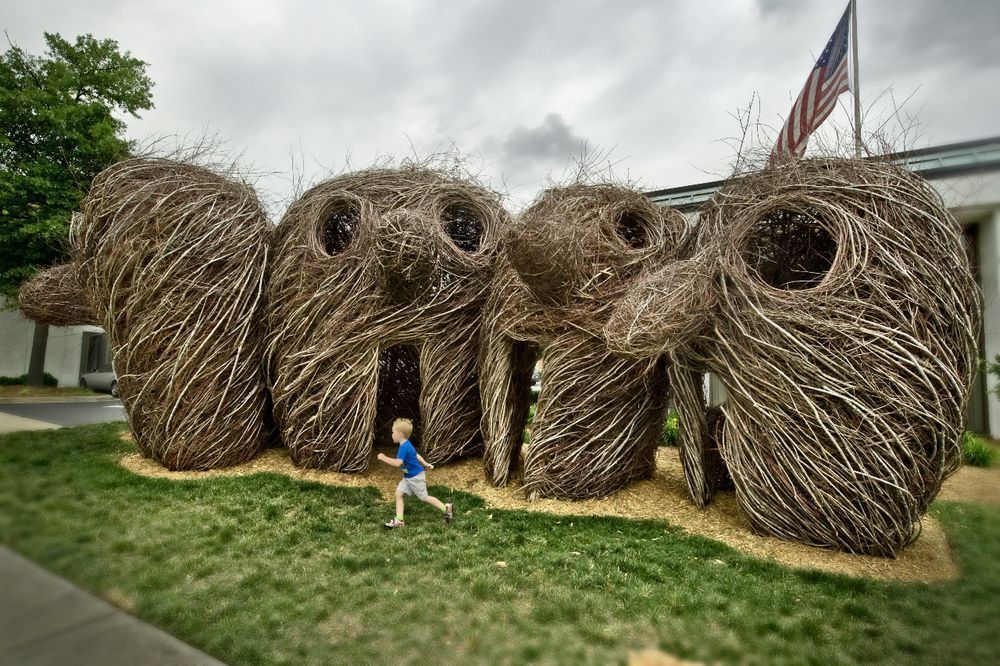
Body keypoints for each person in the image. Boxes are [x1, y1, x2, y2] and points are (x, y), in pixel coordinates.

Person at [377, 418, 453, 528]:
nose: (392, 435)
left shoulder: (404, 448)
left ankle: (446, 508)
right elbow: (416, 455)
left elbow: (398, 463)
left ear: (399, 434)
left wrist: (383, 458)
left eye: (393, 432)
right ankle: (399, 520)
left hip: (415, 478)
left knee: (424, 498)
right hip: (408, 477)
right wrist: (426, 464)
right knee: (398, 494)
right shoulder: (407, 444)